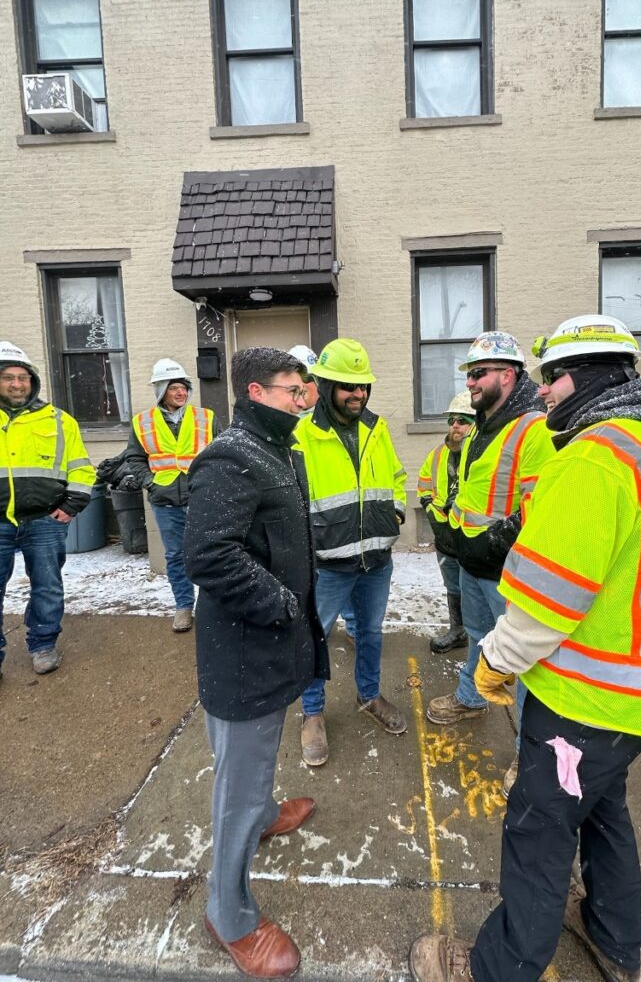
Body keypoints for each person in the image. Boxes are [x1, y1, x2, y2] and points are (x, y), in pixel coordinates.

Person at [408, 314, 641, 982]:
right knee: (602, 814)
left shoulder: (593, 460)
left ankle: (496, 967)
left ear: (590, 377)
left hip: (585, 702)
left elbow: (547, 601)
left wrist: (491, 665)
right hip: (636, 696)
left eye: (552, 379)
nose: (542, 394)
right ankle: (614, 939)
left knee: (538, 829)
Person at [183, 346, 329, 980]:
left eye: (307, 390)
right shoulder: (231, 456)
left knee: (258, 765)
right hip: (245, 654)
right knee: (237, 784)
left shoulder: (276, 451)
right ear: (255, 393)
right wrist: (278, 602)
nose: (306, 400)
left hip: (272, 644)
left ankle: (266, 816)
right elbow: (208, 554)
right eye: (294, 390)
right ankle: (230, 914)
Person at [426, 331, 553, 792]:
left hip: (505, 570)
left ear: (508, 374)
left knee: (520, 664)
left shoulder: (532, 427)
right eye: (470, 374)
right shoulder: (484, 423)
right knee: (480, 639)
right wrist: (458, 536)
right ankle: (471, 698)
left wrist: (496, 542)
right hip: (471, 560)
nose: (471, 382)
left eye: (478, 374)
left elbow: (537, 504)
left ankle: (528, 756)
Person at [293, 338, 407, 767]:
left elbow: (396, 476)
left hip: (376, 561)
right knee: (313, 637)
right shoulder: (302, 436)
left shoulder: (376, 429)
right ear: (324, 386)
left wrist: (395, 513)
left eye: (363, 386)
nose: (358, 394)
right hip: (328, 565)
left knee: (371, 634)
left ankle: (370, 695)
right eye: (347, 386)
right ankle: (312, 713)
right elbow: (292, 501)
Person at [0, 341, 96, 677]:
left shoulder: (58, 420)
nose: (16, 384)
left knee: (47, 585)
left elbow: (82, 468)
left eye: (22, 377)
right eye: (8, 377)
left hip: (45, 520)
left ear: (32, 381)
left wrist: (71, 505)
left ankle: (43, 644)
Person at [124, 359, 219, 633]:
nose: (181, 393)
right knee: (176, 555)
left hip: (201, 498)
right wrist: (150, 483)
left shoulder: (206, 417)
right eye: (174, 387)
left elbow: (223, 452)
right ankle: (184, 606)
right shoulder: (142, 422)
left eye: (184, 387)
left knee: (209, 553)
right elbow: (135, 457)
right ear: (161, 390)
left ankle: (211, 607)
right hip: (165, 500)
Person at [289, 344, 356, 643]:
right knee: (310, 581)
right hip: (303, 517)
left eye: (309, 381)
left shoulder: (333, 418)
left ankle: (351, 625)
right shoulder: (287, 419)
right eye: (298, 382)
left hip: (337, 520)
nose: (304, 388)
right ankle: (313, 633)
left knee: (346, 575)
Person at [416, 391, 476, 654]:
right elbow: (424, 485)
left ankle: (481, 644)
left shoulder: (483, 455)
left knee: (476, 593)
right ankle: (458, 631)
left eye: (462, 420)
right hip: (445, 540)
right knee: (453, 587)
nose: (455, 426)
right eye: (452, 420)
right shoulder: (438, 455)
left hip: (473, 540)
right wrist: (430, 509)